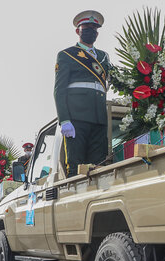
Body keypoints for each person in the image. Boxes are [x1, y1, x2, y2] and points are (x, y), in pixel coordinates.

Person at [54, 10, 112, 177]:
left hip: (99, 119)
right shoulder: (67, 55)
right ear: (78, 30)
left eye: (94, 28)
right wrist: (64, 119)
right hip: (76, 119)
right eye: (87, 27)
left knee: (98, 167)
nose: (91, 31)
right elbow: (59, 90)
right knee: (76, 166)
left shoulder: (103, 57)